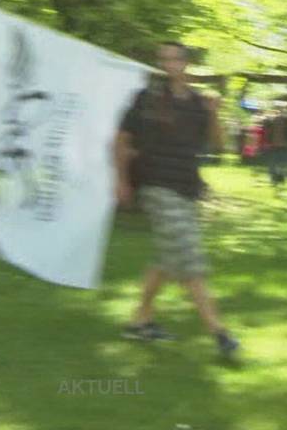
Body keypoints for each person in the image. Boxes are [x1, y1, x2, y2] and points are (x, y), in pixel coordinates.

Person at [116, 42, 239, 359]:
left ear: (186, 63)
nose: (169, 63)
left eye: (175, 58)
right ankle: (219, 333)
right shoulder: (147, 99)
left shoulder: (199, 103)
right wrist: (121, 179)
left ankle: (139, 321)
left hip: (187, 189)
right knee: (190, 259)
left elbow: (220, 146)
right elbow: (121, 139)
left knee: (166, 260)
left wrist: (214, 114)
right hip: (156, 187)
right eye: (163, 59)